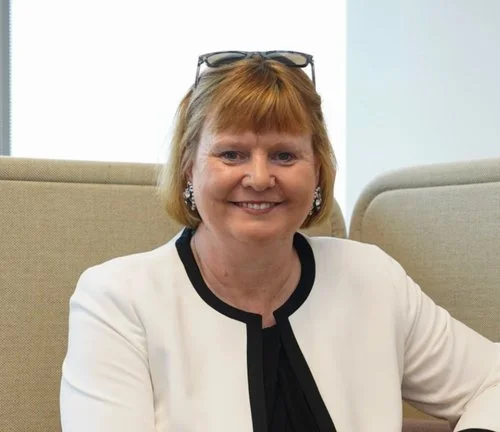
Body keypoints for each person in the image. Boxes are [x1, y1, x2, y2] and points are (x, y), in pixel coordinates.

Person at [60, 51, 500, 432]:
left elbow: (492, 382)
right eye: (231, 154)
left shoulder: (371, 277)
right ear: (188, 168)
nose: (258, 177)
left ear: (318, 172)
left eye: (284, 155)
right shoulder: (118, 300)